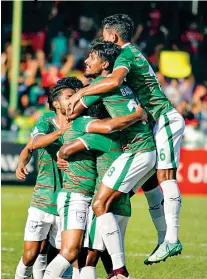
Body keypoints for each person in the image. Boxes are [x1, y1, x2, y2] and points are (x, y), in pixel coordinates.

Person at [69, 14, 185, 264]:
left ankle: (171, 239)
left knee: (166, 176)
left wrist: (82, 91)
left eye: (103, 34)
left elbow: (114, 79)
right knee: (153, 182)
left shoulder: (125, 55)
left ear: (112, 36)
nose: (102, 39)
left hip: (163, 116)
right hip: (153, 122)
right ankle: (164, 237)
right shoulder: (131, 53)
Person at [42, 78, 144, 279]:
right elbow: (105, 128)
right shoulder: (87, 125)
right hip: (77, 195)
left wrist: (62, 154)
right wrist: (137, 115)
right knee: (76, 253)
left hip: (93, 199)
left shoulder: (85, 125)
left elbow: (67, 148)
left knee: (86, 256)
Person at [14, 110, 72, 279]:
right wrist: (21, 164)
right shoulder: (46, 120)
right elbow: (30, 146)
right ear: (56, 102)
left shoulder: (81, 120)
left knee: (64, 253)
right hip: (43, 198)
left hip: (69, 200)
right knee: (32, 253)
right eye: (68, 96)